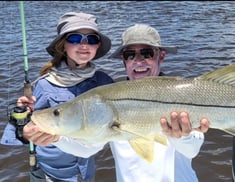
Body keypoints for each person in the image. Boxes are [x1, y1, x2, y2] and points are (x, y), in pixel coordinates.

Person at [1, 12, 113, 181]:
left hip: (86, 167)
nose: (84, 45)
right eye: (75, 38)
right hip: (52, 171)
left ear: (97, 46)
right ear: (63, 45)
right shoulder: (45, 84)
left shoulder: (104, 81)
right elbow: (21, 133)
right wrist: (23, 119)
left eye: (91, 39)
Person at [106, 24, 209, 182]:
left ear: (161, 56)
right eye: (130, 55)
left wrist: (182, 136)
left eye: (147, 53)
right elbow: (84, 149)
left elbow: (192, 150)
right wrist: (58, 137)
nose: (139, 61)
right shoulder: (108, 100)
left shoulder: (183, 94)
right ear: (123, 60)